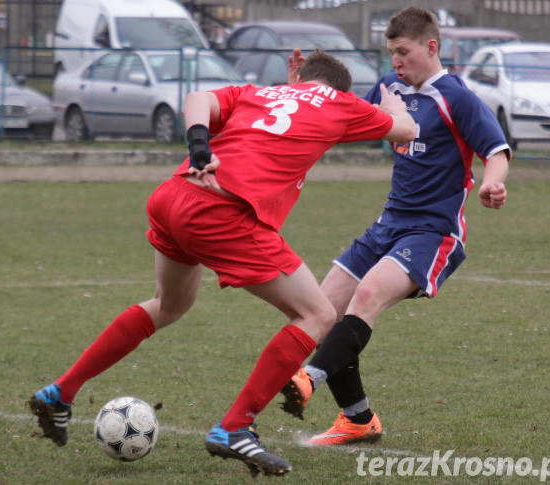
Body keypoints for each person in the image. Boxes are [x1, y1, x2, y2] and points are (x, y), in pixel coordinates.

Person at [27, 50, 416, 476]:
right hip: (223, 212)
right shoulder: (341, 103)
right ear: (335, 87)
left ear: (296, 76)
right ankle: (236, 427)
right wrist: (393, 99)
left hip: (174, 195)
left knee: (169, 304)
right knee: (318, 313)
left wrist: (199, 146)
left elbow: (198, 99)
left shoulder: (257, 92)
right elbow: (405, 129)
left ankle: (60, 391)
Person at [279, 6, 511, 447]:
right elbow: (337, 114)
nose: (395, 62)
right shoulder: (390, 88)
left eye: (403, 52)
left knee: (366, 296)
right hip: (388, 224)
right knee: (323, 311)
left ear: (431, 46)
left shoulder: (456, 97)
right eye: (391, 53)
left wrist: (493, 185)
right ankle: (358, 420)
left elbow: (495, 150)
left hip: (433, 231)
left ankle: (308, 378)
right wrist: (300, 91)